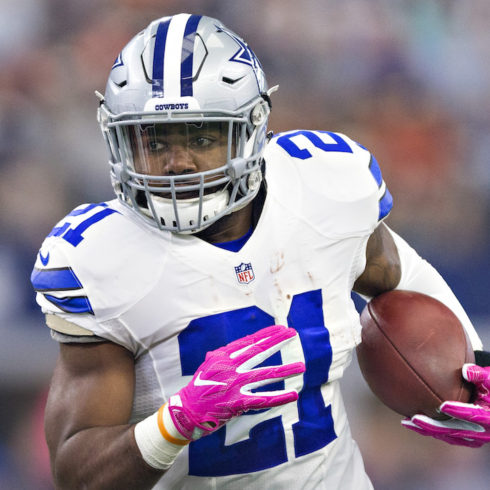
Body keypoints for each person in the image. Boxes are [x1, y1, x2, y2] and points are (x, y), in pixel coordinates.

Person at [31, 14, 490, 489]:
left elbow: (396, 272)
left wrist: (475, 362)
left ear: (251, 130)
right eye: (153, 140)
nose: (176, 163)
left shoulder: (321, 187)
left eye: (203, 138)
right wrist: (175, 423)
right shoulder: (101, 258)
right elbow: (75, 473)